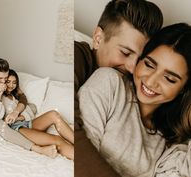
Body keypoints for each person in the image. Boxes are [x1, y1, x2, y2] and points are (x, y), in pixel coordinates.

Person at [78, 23, 191, 177]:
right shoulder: (109, 83)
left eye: (169, 78)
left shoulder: (173, 141)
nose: (151, 81)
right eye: (149, 64)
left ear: (184, 88)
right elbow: (78, 155)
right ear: (140, 59)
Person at [74, 0, 163, 176]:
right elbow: (74, 134)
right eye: (125, 52)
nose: (132, 67)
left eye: (139, 59)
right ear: (98, 39)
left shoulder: (128, 85)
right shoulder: (77, 57)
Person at [0, 58, 57, 157]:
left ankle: (17, 120)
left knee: (31, 107)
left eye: (5, 78)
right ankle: (37, 148)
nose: (3, 81)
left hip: (3, 112)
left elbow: (22, 97)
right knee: (0, 124)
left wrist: (16, 112)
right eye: (0, 78)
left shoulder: (7, 80)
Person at [0, 69, 74, 160]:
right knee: (57, 140)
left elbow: (31, 108)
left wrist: (19, 116)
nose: (11, 85)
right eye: (8, 82)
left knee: (54, 114)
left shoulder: (15, 96)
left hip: (27, 122)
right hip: (18, 129)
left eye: (14, 82)